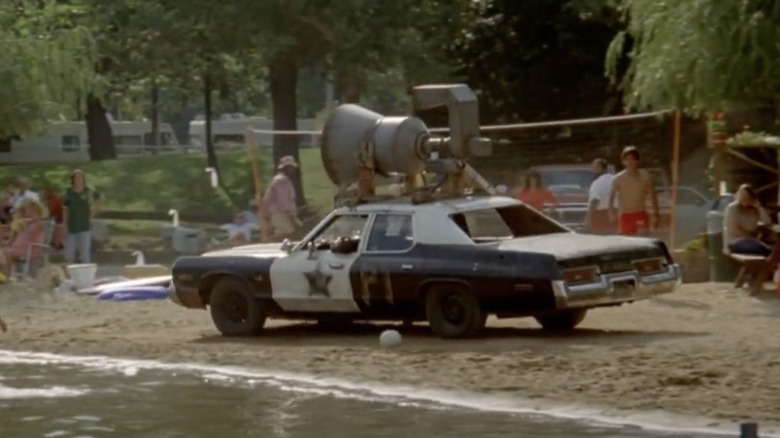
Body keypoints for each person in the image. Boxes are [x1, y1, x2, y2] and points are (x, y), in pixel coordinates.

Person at [608, 146, 660, 236]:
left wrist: (656, 215)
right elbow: (611, 198)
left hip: (640, 213)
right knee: (626, 242)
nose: (630, 162)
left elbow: (653, 196)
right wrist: (611, 213)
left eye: (632, 159)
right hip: (625, 215)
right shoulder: (619, 178)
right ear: (623, 161)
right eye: (627, 159)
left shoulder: (645, 177)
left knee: (642, 240)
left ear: (637, 160)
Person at [63, 169, 103, 264]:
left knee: (84, 254)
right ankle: (70, 271)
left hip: (84, 226)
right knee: (69, 254)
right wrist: (64, 225)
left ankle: (85, 271)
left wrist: (93, 211)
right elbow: (65, 209)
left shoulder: (89, 190)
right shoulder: (69, 192)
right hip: (71, 227)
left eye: (80, 177)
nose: (78, 180)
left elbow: (101, 198)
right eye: (76, 178)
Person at [723, 184, 772, 256]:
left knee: (770, 250)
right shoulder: (732, 208)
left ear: (751, 197)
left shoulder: (754, 210)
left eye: (746, 196)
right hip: (735, 242)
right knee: (761, 250)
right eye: (741, 195)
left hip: (750, 242)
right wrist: (752, 240)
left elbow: (767, 222)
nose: (743, 198)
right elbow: (735, 229)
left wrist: (759, 207)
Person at [0, 199, 47, 274]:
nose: (30, 215)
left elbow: (38, 240)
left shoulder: (38, 225)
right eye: (29, 213)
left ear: (38, 213)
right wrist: (17, 228)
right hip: (19, 247)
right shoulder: (25, 224)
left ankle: (7, 273)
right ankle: (6, 273)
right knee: (3, 252)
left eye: (33, 213)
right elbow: (15, 237)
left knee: (7, 253)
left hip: (29, 249)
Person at [263, 156, 302, 241]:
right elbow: (284, 201)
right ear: (286, 168)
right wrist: (292, 217)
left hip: (279, 213)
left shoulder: (280, 179)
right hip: (281, 213)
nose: (293, 170)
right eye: (291, 167)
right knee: (289, 235)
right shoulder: (282, 180)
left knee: (284, 234)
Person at [585, 158, 615, 234]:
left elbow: (595, 200)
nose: (592, 170)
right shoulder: (615, 179)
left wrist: (588, 218)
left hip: (600, 216)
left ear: (600, 168)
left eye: (594, 167)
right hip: (615, 213)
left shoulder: (597, 182)